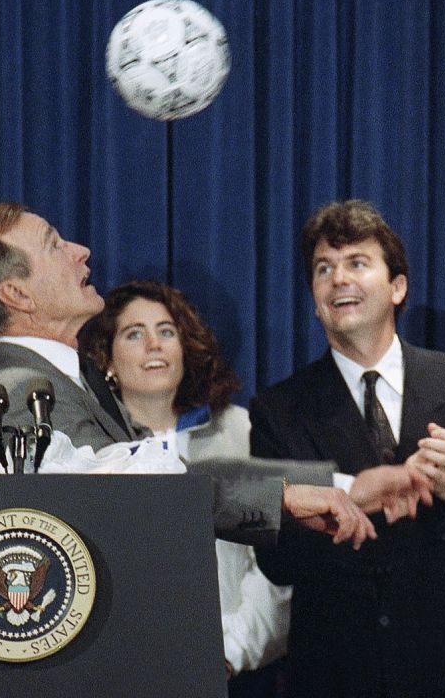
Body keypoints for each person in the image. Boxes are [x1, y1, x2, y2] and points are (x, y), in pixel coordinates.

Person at [0, 202, 410, 549]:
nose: (79, 251)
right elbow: (137, 494)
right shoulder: (17, 395)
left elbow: (173, 467)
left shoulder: (73, 378)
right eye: (54, 245)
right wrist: (284, 501)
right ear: (17, 294)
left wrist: (343, 486)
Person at [250, 199, 445, 698]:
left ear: (397, 287)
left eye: (357, 264)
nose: (339, 279)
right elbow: (276, 559)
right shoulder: (279, 408)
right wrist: (349, 501)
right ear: (314, 296)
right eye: (324, 269)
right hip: (336, 673)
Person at [79, 280, 296, 696]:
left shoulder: (240, 430)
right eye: (134, 334)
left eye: (166, 331)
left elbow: (276, 566)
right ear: (106, 359)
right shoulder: (88, 448)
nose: (154, 345)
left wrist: (230, 651)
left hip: (239, 674)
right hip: (120, 674)